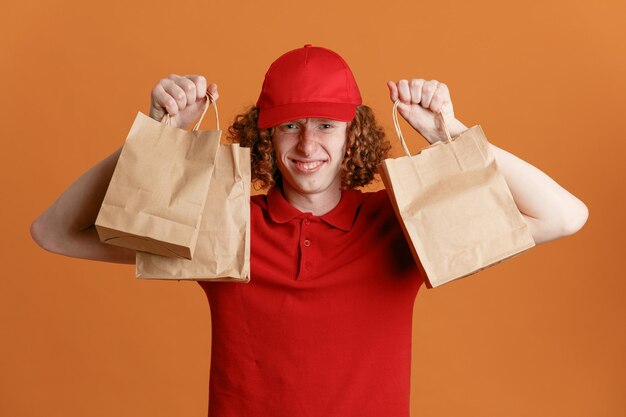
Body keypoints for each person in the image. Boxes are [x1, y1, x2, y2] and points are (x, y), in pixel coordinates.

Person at [31, 45, 588, 416]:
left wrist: (452, 136)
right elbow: (53, 232)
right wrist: (151, 139)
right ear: (264, 135)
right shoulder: (224, 225)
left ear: (354, 133)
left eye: (326, 125)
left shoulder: (400, 226)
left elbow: (564, 216)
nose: (307, 144)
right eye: (290, 126)